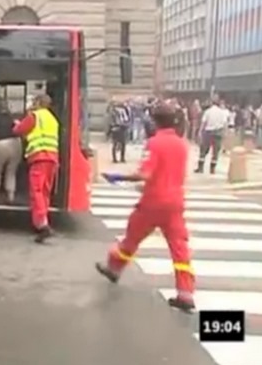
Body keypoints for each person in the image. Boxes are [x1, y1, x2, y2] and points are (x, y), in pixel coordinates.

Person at [95, 103, 195, 313]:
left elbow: (145, 174)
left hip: (152, 203)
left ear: (154, 121)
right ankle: (185, 294)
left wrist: (117, 176)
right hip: (175, 203)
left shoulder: (155, 143)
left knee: (131, 239)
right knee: (179, 249)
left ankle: (114, 268)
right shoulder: (181, 144)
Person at [13, 94, 60, 243]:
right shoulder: (53, 119)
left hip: (39, 157)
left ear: (39, 103)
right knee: (45, 192)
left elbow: (18, 130)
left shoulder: (35, 116)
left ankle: (42, 225)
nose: (33, 104)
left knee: (36, 191)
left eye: (34, 102)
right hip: (52, 159)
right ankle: (41, 222)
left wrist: (16, 123)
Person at [0, 99, 22, 203]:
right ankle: (10, 196)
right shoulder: (13, 118)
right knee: (11, 172)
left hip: (1, 144)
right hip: (16, 143)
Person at [194, 98, 229, 174]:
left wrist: (200, 132)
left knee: (203, 150)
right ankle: (212, 169)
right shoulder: (222, 112)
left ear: (212, 103)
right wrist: (225, 133)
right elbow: (225, 124)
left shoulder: (208, 111)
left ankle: (200, 168)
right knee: (215, 152)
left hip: (208, 132)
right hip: (218, 132)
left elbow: (203, 122)